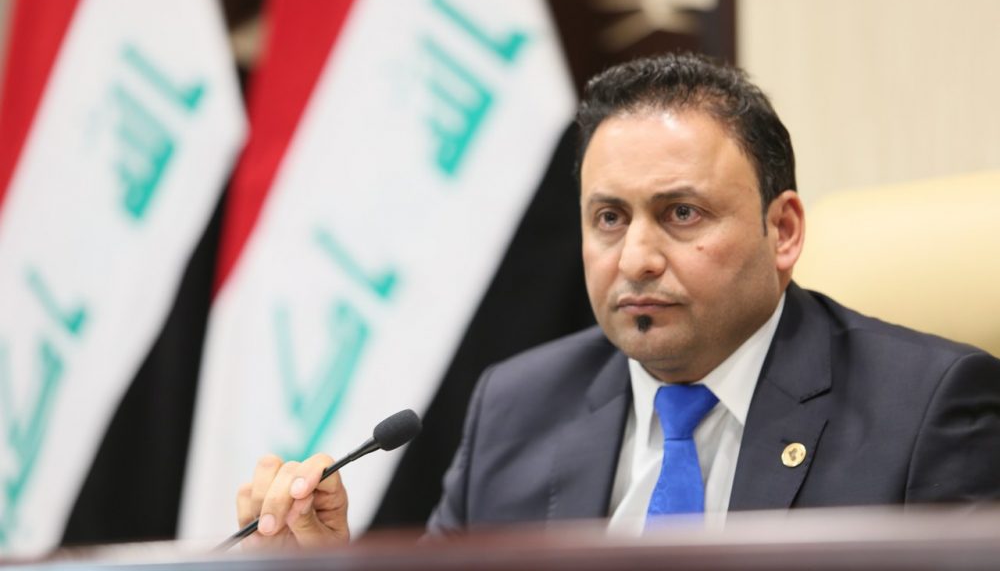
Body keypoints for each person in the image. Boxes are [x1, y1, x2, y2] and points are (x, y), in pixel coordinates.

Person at [236, 52, 1000, 546]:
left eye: (682, 213)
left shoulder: (927, 412)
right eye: (609, 218)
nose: (635, 258)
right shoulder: (516, 409)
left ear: (784, 230)